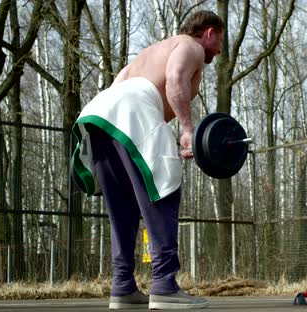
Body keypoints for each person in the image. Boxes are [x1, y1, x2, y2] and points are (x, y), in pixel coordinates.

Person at [71, 10, 224, 310]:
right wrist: (187, 128)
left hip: (99, 115)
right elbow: (175, 78)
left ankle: (123, 287)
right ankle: (165, 285)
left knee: (124, 205)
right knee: (165, 187)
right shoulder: (189, 46)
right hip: (135, 110)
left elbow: (119, 87)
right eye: (219, 40)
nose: (219, 49)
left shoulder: (150, 52)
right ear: (208, 32)